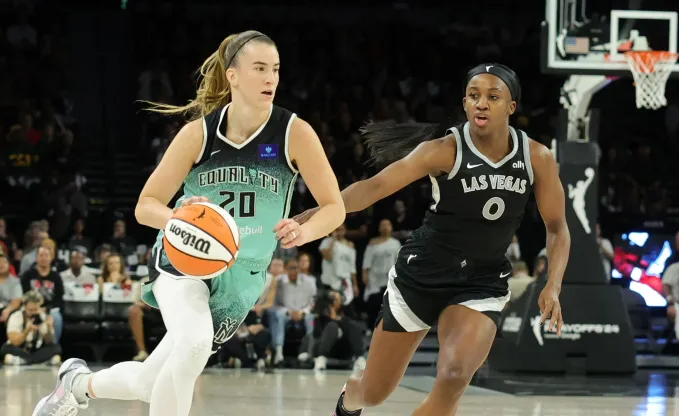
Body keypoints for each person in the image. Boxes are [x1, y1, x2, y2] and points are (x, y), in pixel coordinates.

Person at [33, 30, 344, 416]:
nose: (271, 79)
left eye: (276, 70)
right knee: (193, 345)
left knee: (151, 382)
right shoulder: (197, 134)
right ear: (232, 75)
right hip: (185, 256)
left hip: (243, 277)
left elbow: (334, 207)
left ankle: (76, 386)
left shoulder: (293, 133)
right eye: (260, 68)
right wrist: (176, 216)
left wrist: (305, 230)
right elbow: (145, 206)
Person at [296, 63, 570, 416]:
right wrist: (321, 211)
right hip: (421, 277)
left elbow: (557, 227)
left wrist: (554, 284)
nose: (481, 104)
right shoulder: (443, 150)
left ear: (511, 107)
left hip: (480, 281)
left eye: (492, 97)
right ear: (465, 103)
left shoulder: (537, 157)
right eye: (474, 96)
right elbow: (374, 187)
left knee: (454, 376)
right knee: (374, 393)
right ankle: (352, 395)